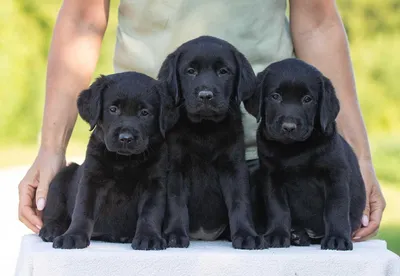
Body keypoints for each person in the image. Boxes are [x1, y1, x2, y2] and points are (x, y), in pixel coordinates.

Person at [18, 0, 385, 241]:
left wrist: (358, 157)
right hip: (148, 166)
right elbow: (83, 19)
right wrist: (52, 148)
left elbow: (318, 23)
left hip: (267, 168)